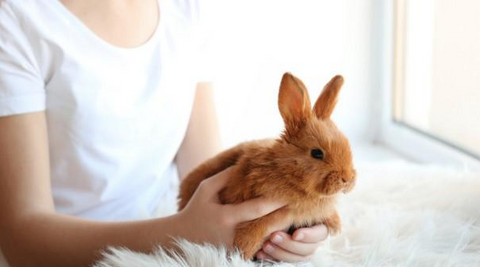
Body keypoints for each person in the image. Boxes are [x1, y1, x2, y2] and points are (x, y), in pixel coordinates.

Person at [0, 0, 329, 266]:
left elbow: (207, 176)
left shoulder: (186, 10)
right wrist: (181, 232)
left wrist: (287, 220)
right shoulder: (17, 18)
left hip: (165, 232)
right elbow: (21, 241)